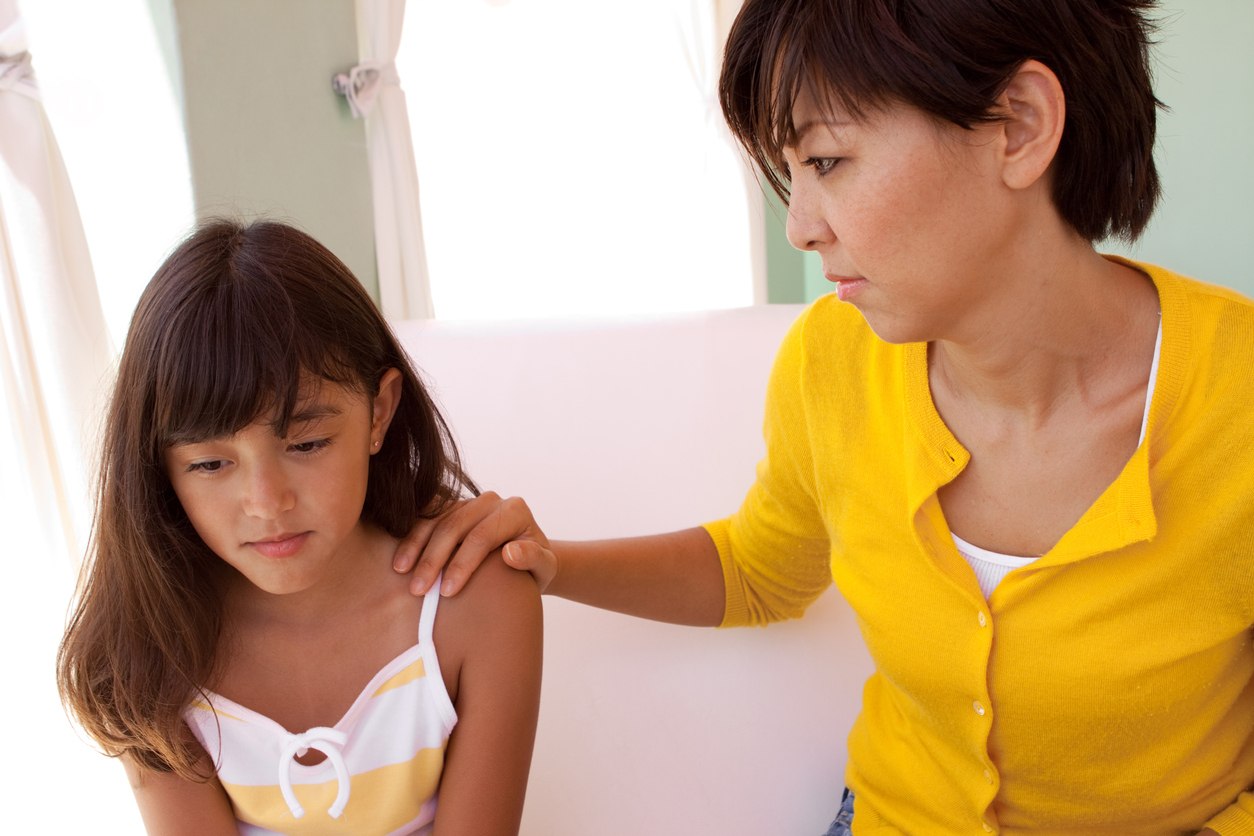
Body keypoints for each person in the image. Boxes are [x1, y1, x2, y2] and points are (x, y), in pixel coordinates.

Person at [391, 0, 1253, 833]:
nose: (801, 227)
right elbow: (762, 570)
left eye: (828, 161)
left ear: (1019, 126)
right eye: (789, 172)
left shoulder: (1235, 400)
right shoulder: (833, 362)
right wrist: (546, 563)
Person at [57, 220, 543, 835]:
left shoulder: (478, 600)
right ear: (159, 469)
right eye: (210, 463)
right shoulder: (151, 646)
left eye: (307, 443)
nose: (267, 502)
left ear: (379, 413)